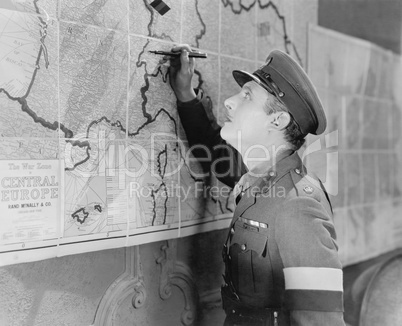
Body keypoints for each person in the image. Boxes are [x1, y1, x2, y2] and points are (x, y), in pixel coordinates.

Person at [168, 44, 345, 326]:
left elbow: (321, 322)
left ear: (277, 120)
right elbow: (216, 151)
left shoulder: (296, 207)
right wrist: (185, 94)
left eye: (246, 96)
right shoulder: (261, 178)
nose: (229, 101)